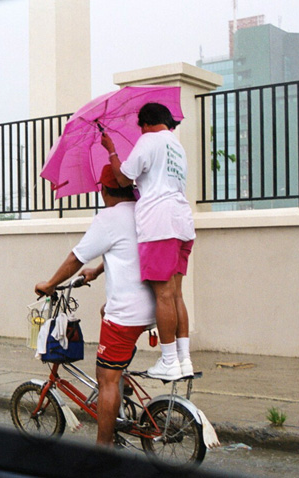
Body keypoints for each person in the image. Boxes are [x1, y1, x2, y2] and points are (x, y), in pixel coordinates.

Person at [35, 165, 155, 447]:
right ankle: (120, 392)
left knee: (106, 379)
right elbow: (127, 249)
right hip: (152, 306)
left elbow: (76, 257)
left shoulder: (109, 217)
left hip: (127, 314)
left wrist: (50, 284)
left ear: (104, 190)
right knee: (106, 314)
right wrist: (98, 271)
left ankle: (104, 448)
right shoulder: (143, 210)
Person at [100, 102, 195, 381]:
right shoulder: (177, 147)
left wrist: (112, 150)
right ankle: (183, 359)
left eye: (141, 125)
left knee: (163, 295)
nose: (140, 130)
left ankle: (168, 360)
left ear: (146, 123)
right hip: (182, 223)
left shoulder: (149, 140)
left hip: (159, 224)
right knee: (176, 294)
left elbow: (122, 177)